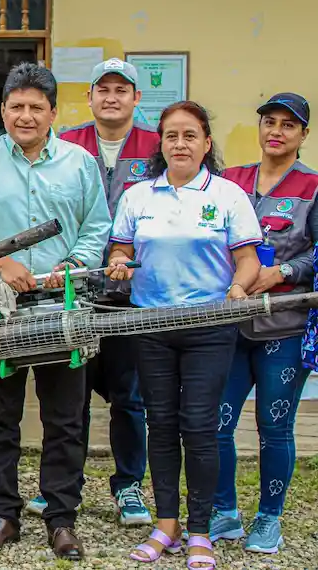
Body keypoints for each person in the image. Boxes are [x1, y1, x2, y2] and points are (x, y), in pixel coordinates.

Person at [0, 63, 111, 561]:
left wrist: (73, 265)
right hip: (0, 304)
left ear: (54, 112)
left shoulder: (80, 163)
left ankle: (61, 519)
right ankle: (2, 513)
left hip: (63, 305)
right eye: (16, 105)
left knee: (65, 419)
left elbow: (97, 227)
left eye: (37, 106)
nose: (25, 115)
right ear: (3, 110)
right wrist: (1, 261)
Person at [106, 101, 261, 568]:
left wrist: (239, 286)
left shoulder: (229, 195)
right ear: (161, 143)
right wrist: (118, 262)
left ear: (206, 144)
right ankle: (166, 523)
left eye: (190, 135)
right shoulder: (138, 196)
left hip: (208, 326)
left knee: (200, 426)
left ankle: (199, 530)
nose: (180, 144)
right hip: (151, 325)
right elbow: (121, 248)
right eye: (171, 135)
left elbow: (249, 259)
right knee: (162, 425)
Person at [39, 58, 156, 526]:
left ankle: (128, 486)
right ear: (88, 97)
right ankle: (68, 486)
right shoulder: (66, 143)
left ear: (135, 99)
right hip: (74, 293)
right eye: (102, 89)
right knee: (72, 398)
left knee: (130, 397)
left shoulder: (156, 146)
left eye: (121, 90)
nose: (111, 97)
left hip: (134, 297)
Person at [212, 93, 316, 554]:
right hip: (229, 325)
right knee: (215, 423)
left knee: (274, 427)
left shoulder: (313, 187)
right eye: (268, 122)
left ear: (302, 136)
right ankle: (224, 510)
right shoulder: (229, 181)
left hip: (284, 327)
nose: (276, 131)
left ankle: (269, 518)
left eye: (287, 125)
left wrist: (284, 272)